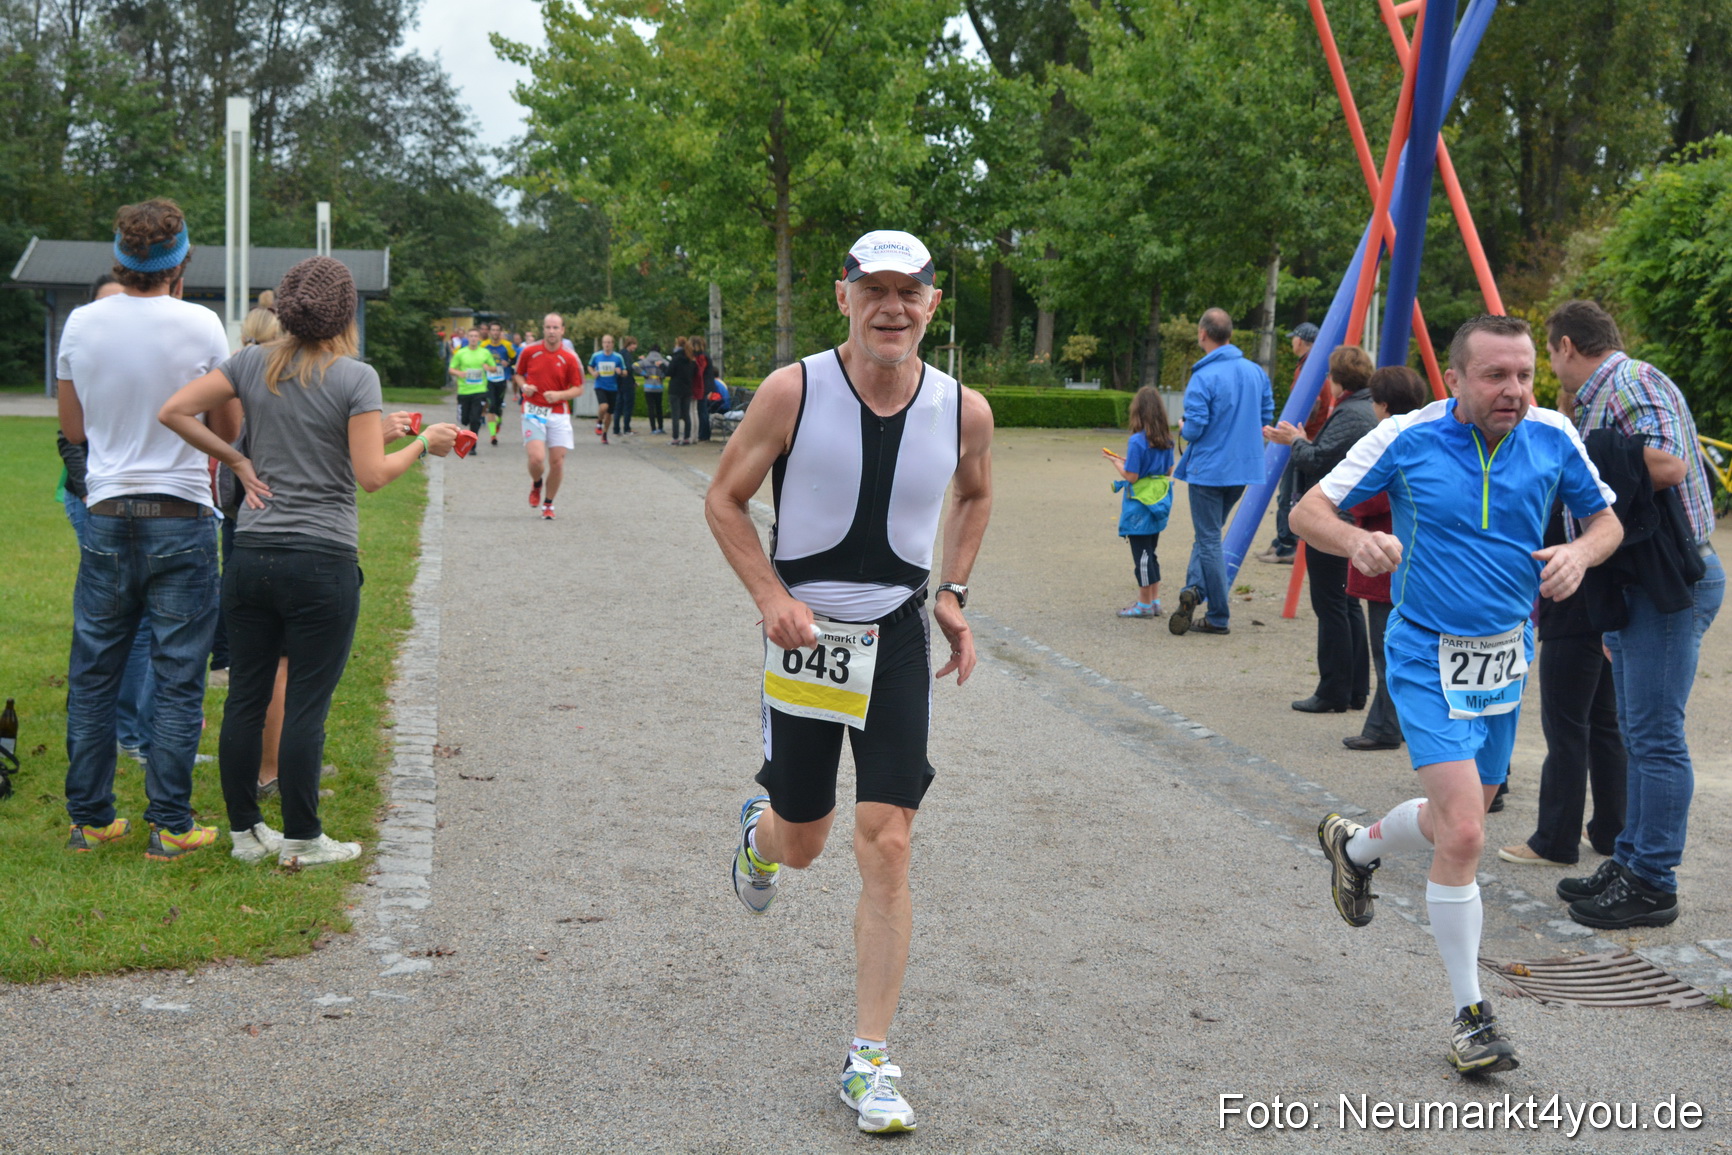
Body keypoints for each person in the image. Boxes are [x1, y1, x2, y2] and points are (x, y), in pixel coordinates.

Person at [705, 229, 993, 1134]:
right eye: (874, 290)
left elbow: (975, 492)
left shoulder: (963, 409)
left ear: (933, 303)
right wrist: (770, 597)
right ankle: (760, 834)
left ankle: (869, 1058)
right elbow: (724, 498)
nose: (891, 308)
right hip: (806, 637)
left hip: (897, 637)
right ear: (844, 297)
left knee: (889, 840)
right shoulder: (793, 390)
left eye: (909, 291)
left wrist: (952, 591)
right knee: (804, 841)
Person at [1296, 314, 1621, 1074]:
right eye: (1495, 375)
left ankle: (1356, 846)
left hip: (1505, 656)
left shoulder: (1553, 435)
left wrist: (1580, 553)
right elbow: (1307, 510)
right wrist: (1357, 540)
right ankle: (1471, 1016)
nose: (1514, 390)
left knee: (1459, 817)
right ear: (1455, 378)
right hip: (1424, 653)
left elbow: (1607, 521)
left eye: (1525, 375)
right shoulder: (1405, 435)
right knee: (1468, 832)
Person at [159, 256, 459, 867]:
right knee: (305, 705)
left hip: (253, 555)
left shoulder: (251, 363)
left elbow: (174, 411)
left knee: (245, 698)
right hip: (322, 561)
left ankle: (246, 834)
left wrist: (235, 459)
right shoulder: (356, 377)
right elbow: (371, 476)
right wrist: (425, 444)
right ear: (345, 314)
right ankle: (302, 837)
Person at [57, 197, 234, 860]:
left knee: (94, 672)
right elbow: (229, 428)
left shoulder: (81, 322)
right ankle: (170, 823)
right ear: (180, 263)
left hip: (106, 512)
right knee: (179, 674)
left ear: (119, 258)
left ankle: (89, 818)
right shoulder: (202, 324)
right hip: (181, 513)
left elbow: (73, 430)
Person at [1544, 299, 1723, 928]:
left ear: (1567, 346)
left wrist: (1580, 454)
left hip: (1667, 585)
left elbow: (1669, 463)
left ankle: (1653, 882)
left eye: (1549, 353)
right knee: (1637, 732)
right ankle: (1630, 861)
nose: (1551, 366)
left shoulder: (1629, 381)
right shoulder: (1605, 393)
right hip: (1640, 583)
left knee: (1654, 737)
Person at [57, 273, 157, 769]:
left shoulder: (145, 350)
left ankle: (127, 730)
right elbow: (70, 438)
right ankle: (125, 733)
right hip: (97, 500)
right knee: (114, 622)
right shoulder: (86, 342)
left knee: (127, 622)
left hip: (142, 502)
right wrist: (91, 491)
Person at [1265, 345, 1376, 713]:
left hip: (1333, 520)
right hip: (1351, 517)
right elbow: (1331, 454)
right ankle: (1355, 689)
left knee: (1331, 607)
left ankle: (1333, 691)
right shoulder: (1365, 408)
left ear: (1337, 378)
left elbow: (1317, 460)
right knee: (1348, 605)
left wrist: (1295, 442)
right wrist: (1304, 441)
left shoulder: (1350, 412)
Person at [1168, 308, 1274, 636]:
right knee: (1209, 535)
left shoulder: (1204, 376)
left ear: (1202, 334)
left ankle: (1218, 615)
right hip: (1243, 469)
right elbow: (1266, 416)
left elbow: (1195, 429)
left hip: (1209, 469)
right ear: (1230, 334)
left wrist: (1183, 426)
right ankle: (1194, 590)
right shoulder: (1256, 372)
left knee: (1209, 538)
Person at [1342, 366, 1431, 752]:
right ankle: (1390, 722)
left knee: (1387, 648)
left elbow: (1365, 498)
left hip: (1386, 559)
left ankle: (1385, 726)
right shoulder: (1431, 436)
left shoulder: (1389, 440)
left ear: (1381, 405)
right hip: (1415, 558)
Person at [1105, 386, 1175, 618]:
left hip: (1140, 506)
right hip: (1158, 502)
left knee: (1142, 557)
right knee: (1151, 553)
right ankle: (1155, 601)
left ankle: (1143, 605)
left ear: (1138, 411)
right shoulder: (1167, 439)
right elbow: (1168, 470)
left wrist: (1116, 462)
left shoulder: (1137, 441)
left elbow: (1132, 476)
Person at [1257, 322, 1321, 563]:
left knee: (1289, 493)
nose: (1292, 341)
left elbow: (1313, 404)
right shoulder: (1308, 364)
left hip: (1303, 437)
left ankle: (1287, 544)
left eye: (1294, 338)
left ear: (1301, 340)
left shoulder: (1310, 366)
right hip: (1303, 436)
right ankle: (1281, 540)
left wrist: (1292, 429)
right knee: (1288, 492)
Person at [514, 313, 585, 520]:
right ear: (543, 329)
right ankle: (537, 483)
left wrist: (559, 395)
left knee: (557, 462)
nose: (551, 331)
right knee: (536, 458)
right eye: (548, 327)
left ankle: (548, 503)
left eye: (555, 328)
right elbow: (518, 374)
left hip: (558, 413)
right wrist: (524, 386)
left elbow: (579, 388)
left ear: (562, 330)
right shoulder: (530, 351)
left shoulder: (570, 357)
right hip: (533, 410)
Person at [447, 327, 495, 454]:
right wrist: (459, 373)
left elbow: (494, 368)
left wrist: (488, 367)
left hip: (480, 390)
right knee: (465, 420)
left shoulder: (485, 352)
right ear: (467, 338)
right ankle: (465, 419)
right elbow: (451, 369)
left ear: (479, 338)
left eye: (476, 336)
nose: (473, 338)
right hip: (464, 391)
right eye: (471, 336)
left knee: (475, 419)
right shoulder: (461, 353)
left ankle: (472, 445)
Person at [482, 323, 518, 445]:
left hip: (502, 380)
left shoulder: (507, 345)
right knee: (491, 406)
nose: (495, 332)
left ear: (500, 332)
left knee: (498, 407)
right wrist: (484, 365)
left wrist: (508, 363)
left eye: (497, 330)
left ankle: (499, 418)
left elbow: (515, 359)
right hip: (488, 380)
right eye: (493, 330)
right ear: (489, 332)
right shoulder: (484, 345)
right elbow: (478, 358)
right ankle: (493, 436)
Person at [589, 334, 624, 445]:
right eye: (605, 342)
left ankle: (604, 434)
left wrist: (620, 372)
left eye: (609, 342)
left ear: (613, 344)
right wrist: (593, 373)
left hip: (613, 388)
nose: (607, 344)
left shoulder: (618, 357)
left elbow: (625, 371)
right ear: (602, 344)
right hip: (600, 386)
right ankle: (599, 421)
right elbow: (590, 366)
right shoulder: (596, 356)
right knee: (604, 406)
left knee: (609, 414)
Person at [667, 336, 695, 445]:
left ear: (677, 344)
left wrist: (662, 367)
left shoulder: (676, 358)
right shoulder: (690, 358)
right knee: (686, 414)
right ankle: (686, 437)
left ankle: (675, 438)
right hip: (687, 389)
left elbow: (669, 372)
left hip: (675, 389)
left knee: (675, 414)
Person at [638, 342, 667, 433]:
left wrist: (644, 374)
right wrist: (662, 376)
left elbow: (634, 366)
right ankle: (660, 427)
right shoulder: (662, 360)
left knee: (651, 408)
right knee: (659, 407)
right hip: (658, 387)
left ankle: (653, 428)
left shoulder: (646, 360)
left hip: (648, 387)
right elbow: (670, 368)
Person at [613, 336, 639, 436]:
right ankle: (626, 428)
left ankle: (616, 428)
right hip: (627, 385)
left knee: (618, 407)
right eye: (634, 345)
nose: (635, 347)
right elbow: (628, 369)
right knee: (628, 407)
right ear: (630, 344)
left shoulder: (619, 353)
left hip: (619, 384)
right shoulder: (627, 355)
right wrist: (633, 382)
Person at [691, 336, 716, 441]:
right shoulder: (705, 355)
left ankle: (704, 434)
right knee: (702, 410)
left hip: (703, 386)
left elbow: (699, 372)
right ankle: (703, 433)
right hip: (706, 385)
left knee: (702, 411)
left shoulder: (701, 356)